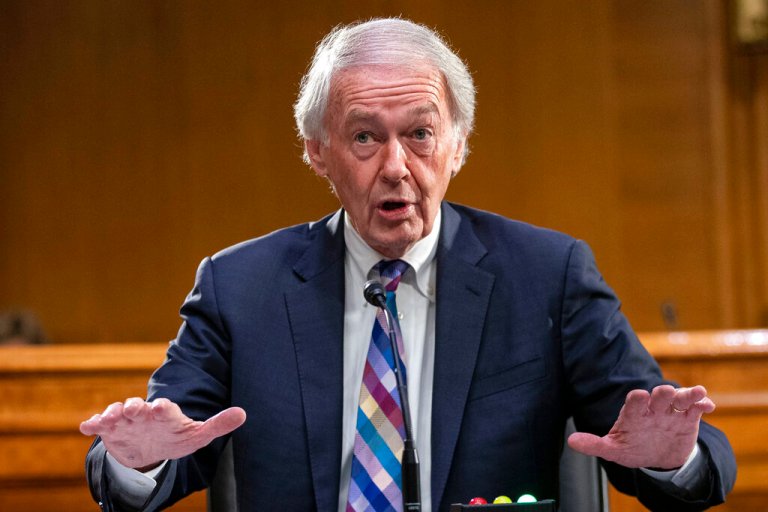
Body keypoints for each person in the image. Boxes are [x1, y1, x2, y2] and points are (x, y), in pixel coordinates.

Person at [80, 18, 736, 512]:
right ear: (318, 153)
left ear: (457, 145)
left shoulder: (548, 275)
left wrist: (669, 459)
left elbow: (673, 446)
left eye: (420, 133)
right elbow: (163, 456)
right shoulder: (239, 289)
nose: (396, 167)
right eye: (365, 136)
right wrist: (138, 464)